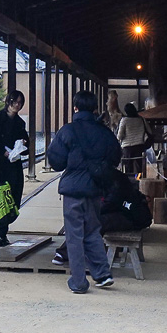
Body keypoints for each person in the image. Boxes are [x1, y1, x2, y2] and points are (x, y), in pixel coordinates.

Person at [46, 89, 122, 294]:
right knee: (92, 231)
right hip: (95, 189)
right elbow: (116, 156)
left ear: (75, 107)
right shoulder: (104, 132)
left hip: (73, 190)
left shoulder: (68, 131)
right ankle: (102, 274)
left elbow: (56, 160)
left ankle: (79, 281)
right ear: (95, 108)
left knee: (74, 235)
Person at [51, 167, 153, 266]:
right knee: (90, 221)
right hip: (121, 212)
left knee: (96, 222)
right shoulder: (105, 177)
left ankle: (64, 253)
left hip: (130, 217)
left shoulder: (116, 179)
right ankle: (68, 252)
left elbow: (110, 203)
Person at [0, 90, 28, 246]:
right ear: (8, 101)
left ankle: (3, 233)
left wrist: (23, 144)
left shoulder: (19, 123)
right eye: (14, 102)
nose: (16, 105)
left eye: (19, 103)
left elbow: (26, 140)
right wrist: (3, 151)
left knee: (12, 199)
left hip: (14, 165)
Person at [117, 102, 151, 176]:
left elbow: (119, 136)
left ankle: (129, 181)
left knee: (128, 167)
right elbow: (149, 131)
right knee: (139, 166)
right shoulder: (141, 119)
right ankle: (139, 180)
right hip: (139, 146)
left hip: (127, 147)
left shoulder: (124, 120)